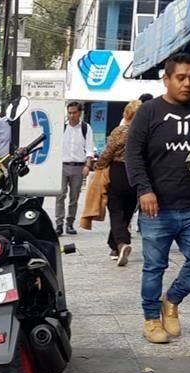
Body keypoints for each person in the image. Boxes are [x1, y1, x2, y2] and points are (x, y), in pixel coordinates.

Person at [126, 52, 190, 345]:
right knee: (154, 267)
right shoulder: (149, 112)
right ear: (167, 79)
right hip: (157, 206)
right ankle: (150, 319)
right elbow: (133, 155)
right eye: (180, 77)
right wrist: (144, 189)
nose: (187, 83)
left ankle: (171, 301)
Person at [96, 99, 142, 266]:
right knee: (128, 211)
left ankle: (122, 243)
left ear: (126, 114)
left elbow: (108, 153)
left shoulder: (119, 132)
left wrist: (98, 166)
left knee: (116, 211)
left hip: (118, 172)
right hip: (136, 173)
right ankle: (114, 247)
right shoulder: (146, 133)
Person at [55, 101, 95, 236]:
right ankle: (59, 224)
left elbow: (89, 149)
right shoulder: (62, 128)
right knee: (60, 195)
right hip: (62, 165)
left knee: (74, 197)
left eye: (74, 113)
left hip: (78, 166)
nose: (71, 116)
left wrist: (87, 165)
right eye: (69, 112)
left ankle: (70, 223)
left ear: (80, 113)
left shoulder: (85, 128)